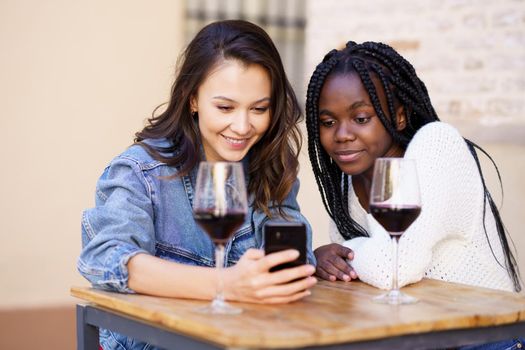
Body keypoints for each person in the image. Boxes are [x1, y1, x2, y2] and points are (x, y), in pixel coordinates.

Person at [78, 20, 316, 349]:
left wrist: (304, 261)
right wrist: (226, 284)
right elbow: (108, 260)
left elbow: (290, 262)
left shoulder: (269, 166)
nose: (243, 126)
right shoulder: (140, 171)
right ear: (193, 100)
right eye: (225, 107)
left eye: (259, 108)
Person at [305, 41, 523, 349]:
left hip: (486, 339)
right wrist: (323, 259)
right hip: (417, 336)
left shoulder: (436, 146)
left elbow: (391, 267)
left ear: (399, 117)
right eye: (328, 122)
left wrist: (333, 252)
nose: (342, 134)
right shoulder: (346, 180)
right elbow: (353, 279)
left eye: (361, 118)